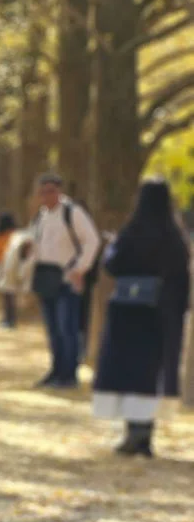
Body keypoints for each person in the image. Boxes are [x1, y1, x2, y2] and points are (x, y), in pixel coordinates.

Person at [93, 178, 191, 457]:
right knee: (149, 374)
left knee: (128, 372)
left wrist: (111, 247)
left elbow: (113, 265)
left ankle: (132, 432)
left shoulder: (131, 232)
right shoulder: (174, 237)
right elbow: (181, 278)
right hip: (157, 313)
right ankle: (144, 434)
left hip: (127, 310)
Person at [30, 171, 100, 388]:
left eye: (51, 191)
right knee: (52, 329)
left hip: (67, 279)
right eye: (42, 192)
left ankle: (69, 375)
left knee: (66, 328)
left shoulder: (72, 212)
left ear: (59, 191)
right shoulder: (40, 217)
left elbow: (92, 241)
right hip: (46, 278)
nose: (47, 196)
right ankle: (56, 370)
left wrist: (79, 269)